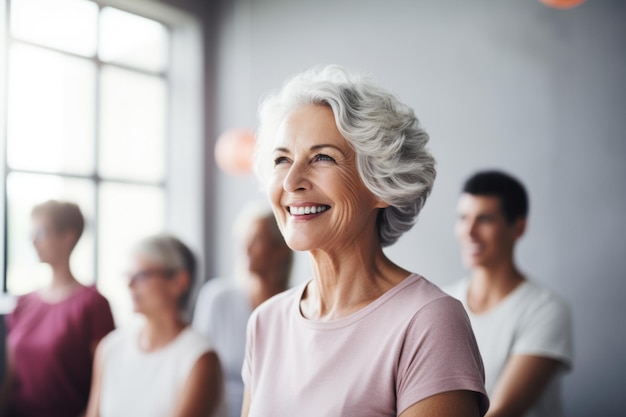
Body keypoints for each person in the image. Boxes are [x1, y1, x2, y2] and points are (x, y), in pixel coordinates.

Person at [240, 65, 489, 417]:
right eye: (282, 159)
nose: (292, 180)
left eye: (323, 157)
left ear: (381, 185)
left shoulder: (428, 321)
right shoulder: (266, 322)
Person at [445, 170, 573, 417]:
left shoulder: (546, 310)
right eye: (463, 218)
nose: (469, 232)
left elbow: (502, 411)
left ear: (518, 227)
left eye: (484, 219)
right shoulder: (441, 302)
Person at [85, 234, 226, 417]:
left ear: (179, 281)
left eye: (141, 275)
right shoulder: (110, 348)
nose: (130, 284)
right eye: (128, 275)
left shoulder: (200, 358)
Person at [1, 200, 115, 417]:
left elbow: (106, 380)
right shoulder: (23, 303)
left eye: (41, 232)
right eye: (31, 233)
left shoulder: (92, 304)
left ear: (68, 236)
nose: (33, 241)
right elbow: (11, 378)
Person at [193, 202, 293, 417]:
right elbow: (195, 369)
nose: (245, 249)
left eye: (256, 240)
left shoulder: (298, 305)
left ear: (281, 248)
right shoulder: (217, 298)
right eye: (243, 240)